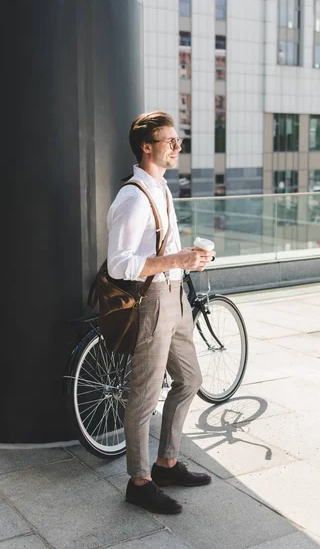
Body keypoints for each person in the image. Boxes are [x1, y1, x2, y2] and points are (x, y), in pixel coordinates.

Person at [107, 111, 214, 515]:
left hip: (176, 296)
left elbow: (166, 251)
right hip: (152, 300)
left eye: (178, 140)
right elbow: (120, 264)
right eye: (170, 141)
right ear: (146, 146)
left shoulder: (162, 188)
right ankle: (139, 483)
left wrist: (191, 259)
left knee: (190, 379)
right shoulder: (133, 197)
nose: (177, 147)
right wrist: (176, 258)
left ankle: (166, 463)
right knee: (144, 395)